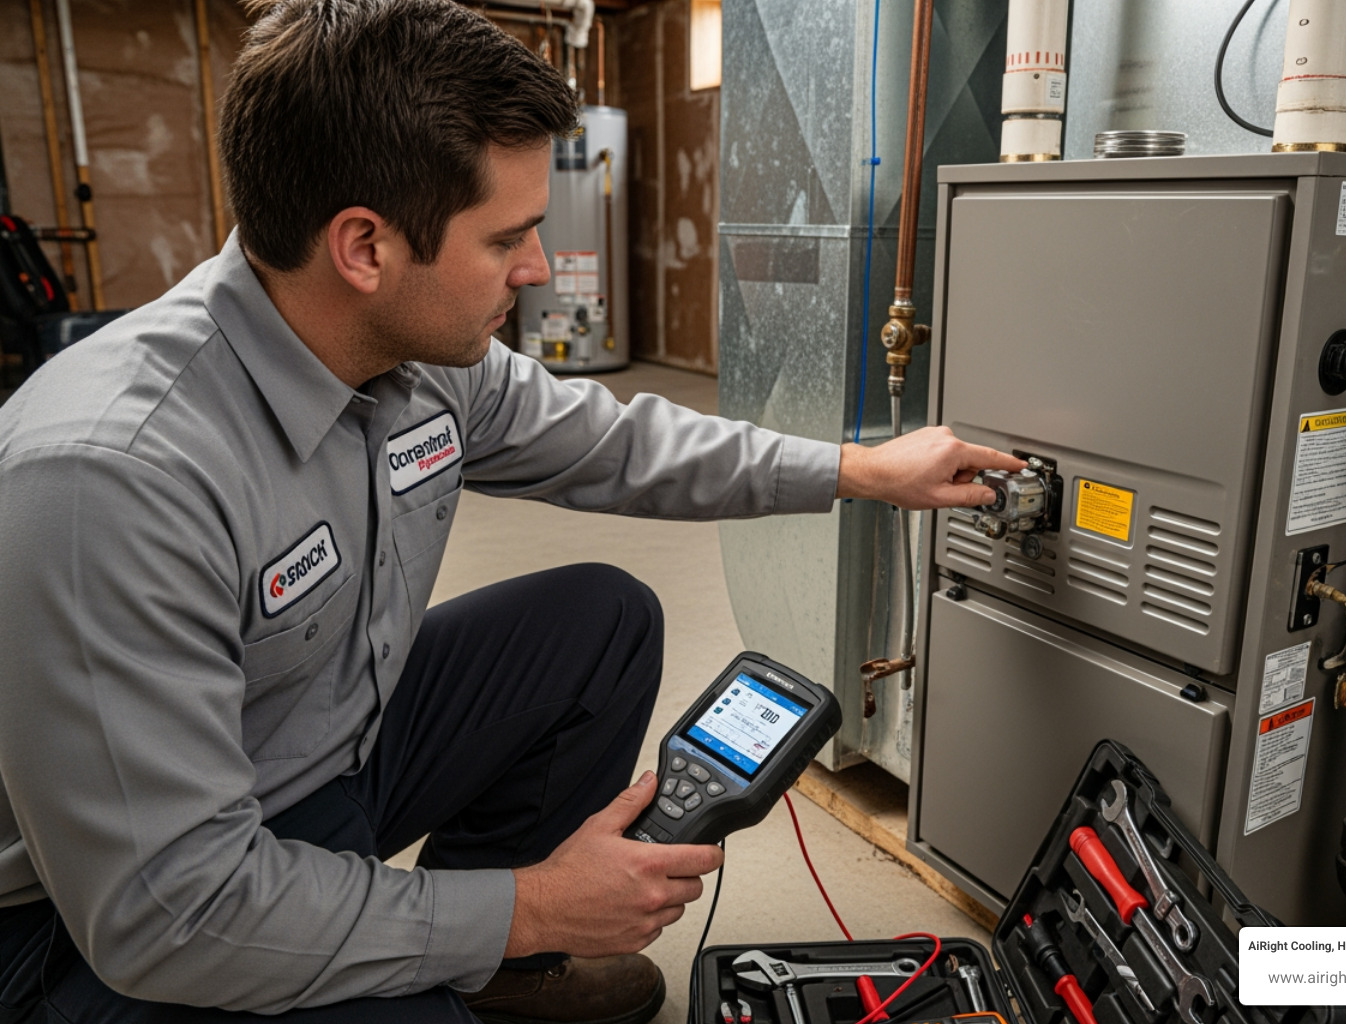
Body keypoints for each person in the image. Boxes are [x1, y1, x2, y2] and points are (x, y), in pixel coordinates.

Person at [0, 2, 1022, 1022]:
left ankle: (487, 971)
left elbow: (621, 446)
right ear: (365, 246)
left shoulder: (419, 364)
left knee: (600, 620)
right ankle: (474, 950)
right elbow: (168, 915)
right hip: (96, 923)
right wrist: (531, 905)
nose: (536, 269)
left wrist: (865, 469)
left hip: (312, 760)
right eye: (508, 238)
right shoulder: (112, 480)